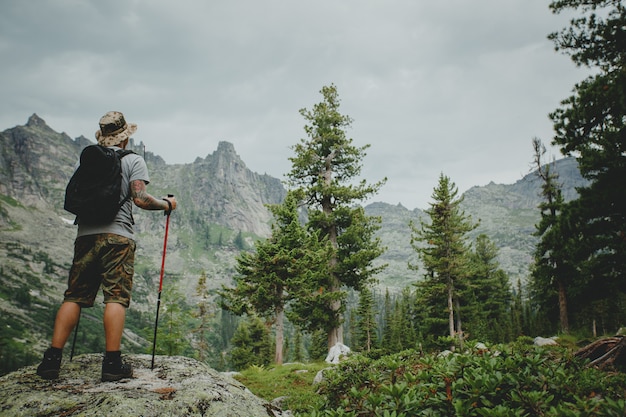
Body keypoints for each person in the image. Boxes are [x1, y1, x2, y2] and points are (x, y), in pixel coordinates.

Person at [36, 111, 177, 382]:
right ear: (125, 137)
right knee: (115, 296)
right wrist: (167, 204)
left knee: (74, 296)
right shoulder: (133, 159)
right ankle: (112, 363)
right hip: (117, 237)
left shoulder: (89, 163)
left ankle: (52, 360)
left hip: (85, 235)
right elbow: (140, 198)